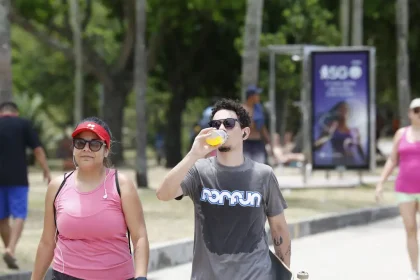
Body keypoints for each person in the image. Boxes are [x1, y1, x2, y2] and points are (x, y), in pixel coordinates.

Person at [156, 98, 291, 280]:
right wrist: (193, 154)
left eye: (228, 124)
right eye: (215, 124)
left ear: (244, 133)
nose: (221, 129)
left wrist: (284, 275)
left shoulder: (263, 174)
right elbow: (163, 194)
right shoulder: (200, 171)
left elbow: (279, 228)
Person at [31, 117, 149, 280]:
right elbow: (47, 242)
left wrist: (141, 276)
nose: (86, 148)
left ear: (106, 149)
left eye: (95, 144)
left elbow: (139, 237)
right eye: (80, 143)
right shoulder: (57, 186)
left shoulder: (122, 185)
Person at [0, 101, 51, 270]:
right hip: (18, 177)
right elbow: (37, 149)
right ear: (17, 111)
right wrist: (46, 170)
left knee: (2, 218)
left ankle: (10, 252)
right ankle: (10, 249)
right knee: (19, 215)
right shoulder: (23, 124)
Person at [376, 98, 420, 280]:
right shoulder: (401, 134)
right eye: (416, 110)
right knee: (410, 228)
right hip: (404, 188)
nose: (419, 114)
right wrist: (380, 183)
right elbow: (393, 159)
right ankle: (414, 270)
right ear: (410, 113)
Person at [313, 101, 365, 166]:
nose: (343, 112)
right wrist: (327, 135)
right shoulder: (331, 127)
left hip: (352, 162)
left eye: (345, 109)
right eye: (341, 109)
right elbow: (316, 147)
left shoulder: (354, 129)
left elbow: (360, 149)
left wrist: (366, 163)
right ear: (336, 112)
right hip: (336, 162)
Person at [242, 85, 274, 165]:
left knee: (259, 167)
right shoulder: (242, 110)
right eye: (257, 95)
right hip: (246, 143)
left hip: (258, 142)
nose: (259, 97)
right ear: (251, 96)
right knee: (246, 167)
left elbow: (262, 128)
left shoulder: (258, 109)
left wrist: (269, 143)